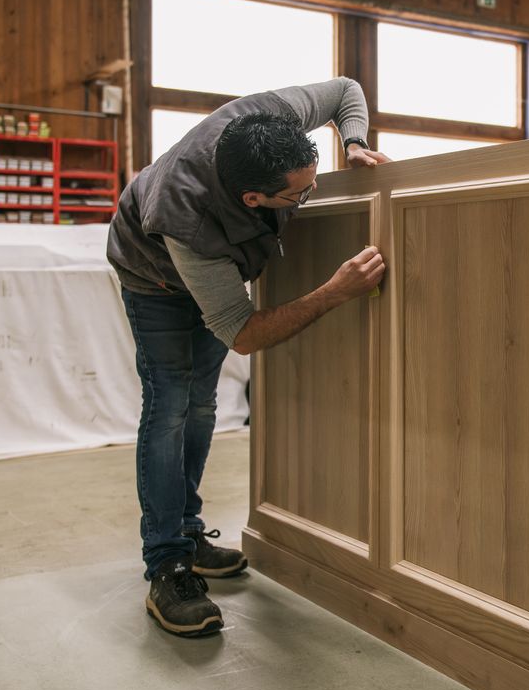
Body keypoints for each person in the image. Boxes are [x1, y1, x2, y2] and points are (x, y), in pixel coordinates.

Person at [107, 77, 391, 637]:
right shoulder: (184, 219)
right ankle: (166, 565)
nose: (307, 198)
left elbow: (345, 90)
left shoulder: (267, 117)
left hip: (215, 273)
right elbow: (240, 332)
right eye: (299, 195)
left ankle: (188, 534)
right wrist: (332, 292)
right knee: (170, 407)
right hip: (155, 281)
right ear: (252, 199)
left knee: (203, 408)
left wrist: (353, 142)